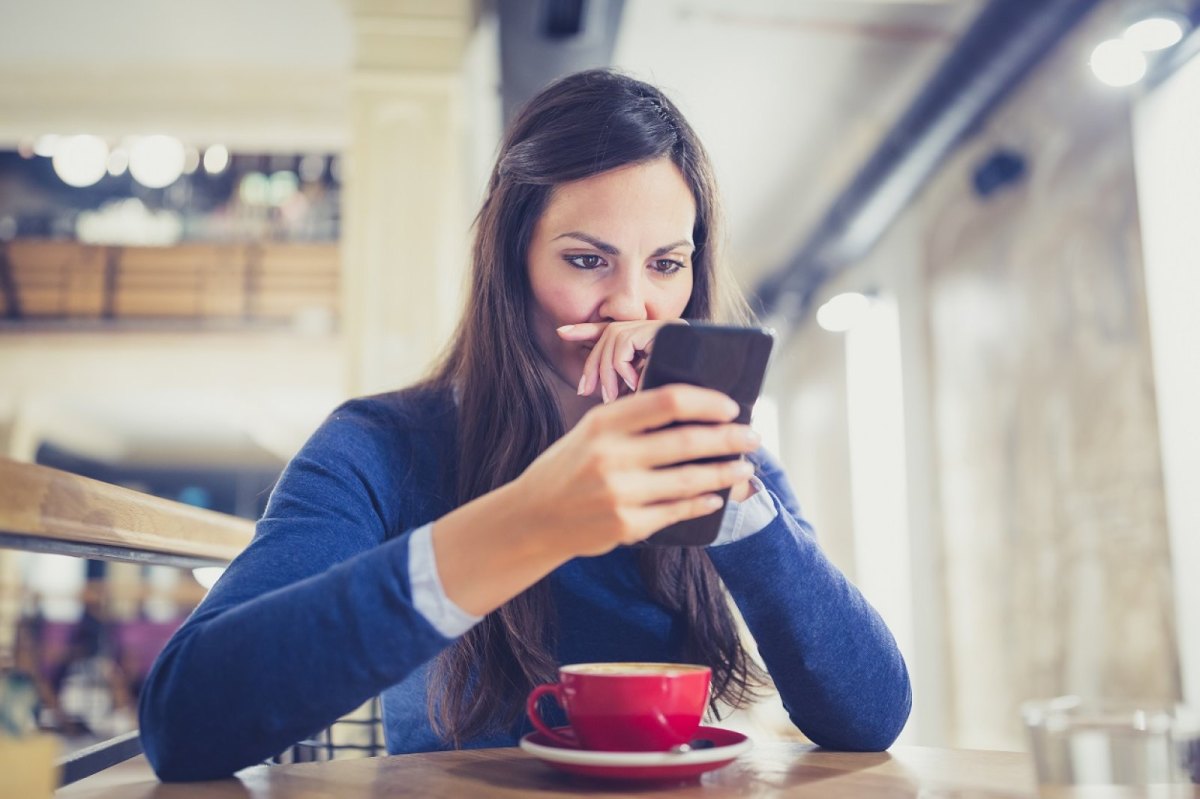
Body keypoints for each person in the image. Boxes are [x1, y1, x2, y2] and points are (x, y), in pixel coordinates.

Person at [139, 69, 911, 781]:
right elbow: (185, 721)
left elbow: (870, 716)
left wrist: (735, 504)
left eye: (666, 265)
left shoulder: (715, 451)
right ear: (512, 267)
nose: (632, 305)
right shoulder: (379, 445)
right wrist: (530, 520)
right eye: (586, 260)